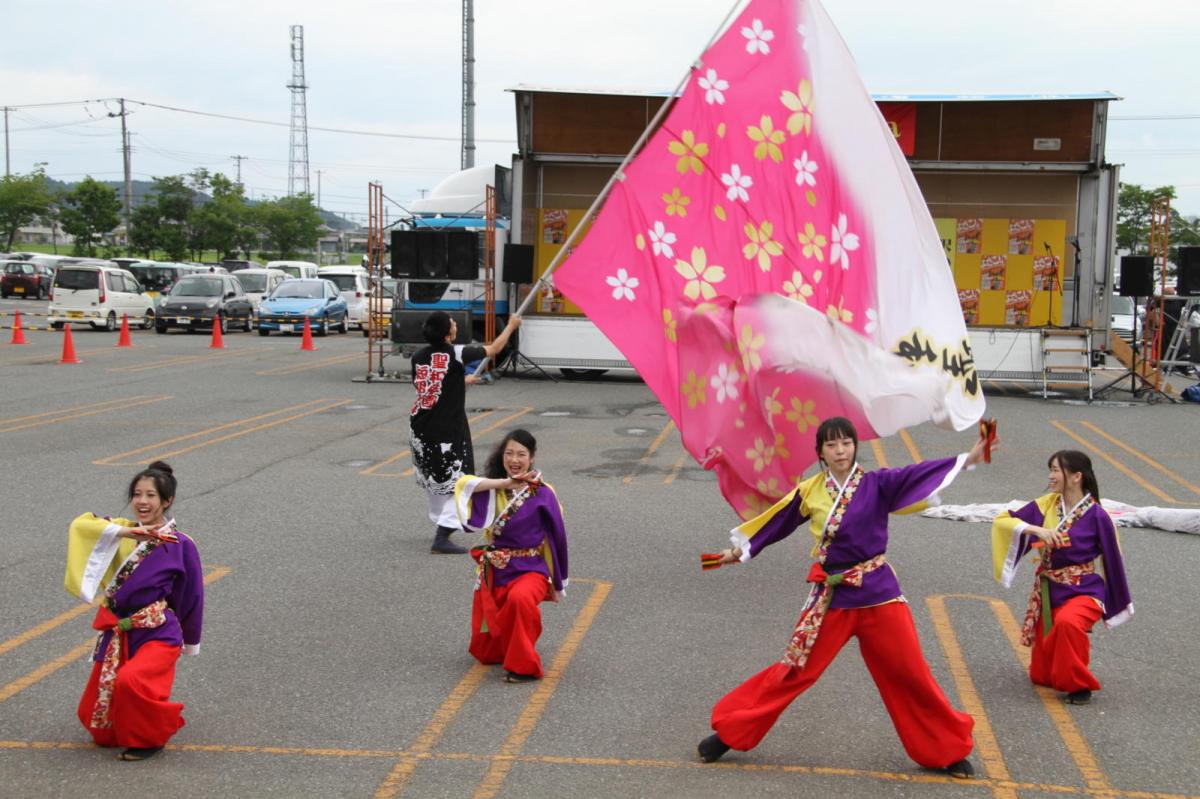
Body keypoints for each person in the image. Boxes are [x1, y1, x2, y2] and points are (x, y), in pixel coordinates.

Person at [697, 417, 989, 779]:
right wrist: (735, 552)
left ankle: (945, 751)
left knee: (911, 673)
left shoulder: (877, 483)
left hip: (879, 594)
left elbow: (919, 474)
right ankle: (729, 733)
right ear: (819, 451)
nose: (840, 451)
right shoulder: (811, 490)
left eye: (846, 443)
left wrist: (971, 457)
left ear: (855, 446)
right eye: (832, 445)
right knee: (795, 672)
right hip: (832, 598)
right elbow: (776, 523)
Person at [63, 461, 204, 762]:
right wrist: (125, 534)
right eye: (137, 494)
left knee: (132, 681)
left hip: (157, 631)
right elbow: (80, 525)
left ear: (167, 501)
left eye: (151, 495)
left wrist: (189, 641)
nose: (142, 501)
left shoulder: (180, 544)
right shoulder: (120, 532)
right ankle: (128, 726)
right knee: (98, 726)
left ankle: (151, 737)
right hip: (119, 632)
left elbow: (190, 595)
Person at [990, 450, 1133, 705]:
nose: (1051, 476)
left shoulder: (1098, 516)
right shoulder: (1047, 504)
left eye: (1056, 470)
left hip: (1084, 589)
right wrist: (1038, 530)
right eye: (1051, 469)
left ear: (1076, 476)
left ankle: (1080, 686)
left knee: (1068, 623)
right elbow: (1003, 521)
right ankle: (1061, 668)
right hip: (1050, 591)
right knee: (1041, 676)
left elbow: (1113, 559)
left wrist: (1116, 602)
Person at [453, 429, 568, 682]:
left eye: (521, 455)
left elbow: (557, 534)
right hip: (496, 568)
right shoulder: (493, 487)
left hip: (531, 568)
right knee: (487, 651)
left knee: (519, 600)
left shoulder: (544, 492)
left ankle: (524, 667)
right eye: (509, 453)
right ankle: (515, 646)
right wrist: (506, 483)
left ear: (532, 458)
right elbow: (462, 486)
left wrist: (560, 578)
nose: (515, 460)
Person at [410, 311, 521, 554]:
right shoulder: (456, 352)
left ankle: (440, 517)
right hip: (446, 430)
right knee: (461, 480)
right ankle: (442, 535)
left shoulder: (418, 357)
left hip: (421, 428)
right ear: (448, 332)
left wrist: (461, 381)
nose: (455, 325)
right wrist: (511, 326)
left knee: (436, 477)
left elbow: (433, 385)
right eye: (452, 323)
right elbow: (494, 349)